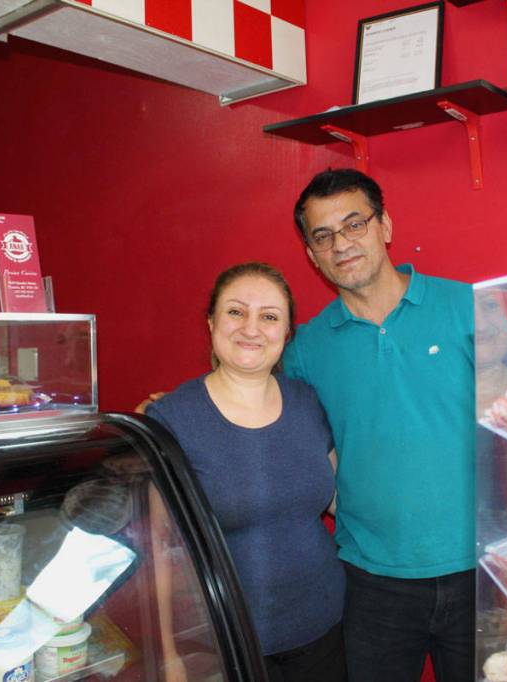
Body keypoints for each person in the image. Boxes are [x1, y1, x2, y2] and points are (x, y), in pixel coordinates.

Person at [283, 168, 475, 682]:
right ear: (311, 254)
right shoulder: (306, 347)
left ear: (384, 225)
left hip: (481, 570)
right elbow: (280, 431)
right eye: (322, 236)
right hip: (370, 582)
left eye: (354, 224)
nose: (341, 244)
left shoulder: (471, 308)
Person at [144, 262, 347, 682]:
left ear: (286, 334)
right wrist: (166, 652)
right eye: (236, 312)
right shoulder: (170, 418)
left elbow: (336, 498)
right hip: (222, 642)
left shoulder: (307, 401)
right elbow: (157, 549)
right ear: (211, 322)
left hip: (323, 629)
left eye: (269, 317)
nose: (251, 328)